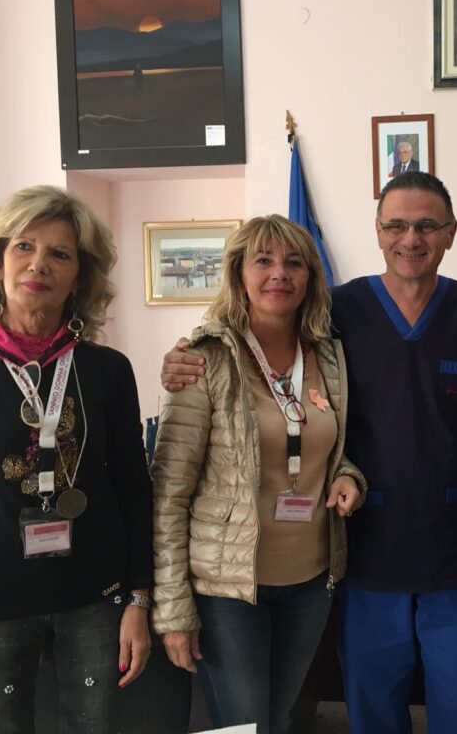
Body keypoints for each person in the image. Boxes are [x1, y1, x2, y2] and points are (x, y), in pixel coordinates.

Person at [160, 172, 457, 734]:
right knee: (367, 704)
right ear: (378, 231)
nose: (410, 238)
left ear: (451, 233)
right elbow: (259, 349)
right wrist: (183, 357)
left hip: (448, 539)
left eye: (426, 226)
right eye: (396, 225)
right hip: (361, 545)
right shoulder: (340, 313)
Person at [0, 185, 153, 733]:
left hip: (94, 597)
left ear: (79, 276)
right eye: (23, 246)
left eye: (60, 253)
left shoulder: (107, 369)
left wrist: (139, 598)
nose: (39, 264)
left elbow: (134, 490)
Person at [149, 214, 366, 733]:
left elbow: (330, 449)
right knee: (240, 727)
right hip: (228, 590)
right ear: (239, 274)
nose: (279, 274)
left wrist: (348, 478)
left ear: (310, 276)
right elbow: (168, 495)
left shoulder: (328, 354)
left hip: (310, 581)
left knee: (277, 719)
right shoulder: (204, 359)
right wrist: (173, 611)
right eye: (263, 261)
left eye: (294, 263)